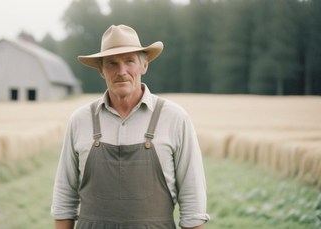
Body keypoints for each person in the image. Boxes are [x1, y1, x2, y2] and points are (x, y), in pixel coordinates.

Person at [51, 24, 210, 229]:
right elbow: (64, 197)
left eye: (129, 61)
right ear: (101, 70)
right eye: (112, 63)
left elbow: (193, 201)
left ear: (144, 65)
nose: (122, 71)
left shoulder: (175, 118)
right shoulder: (80, 120)